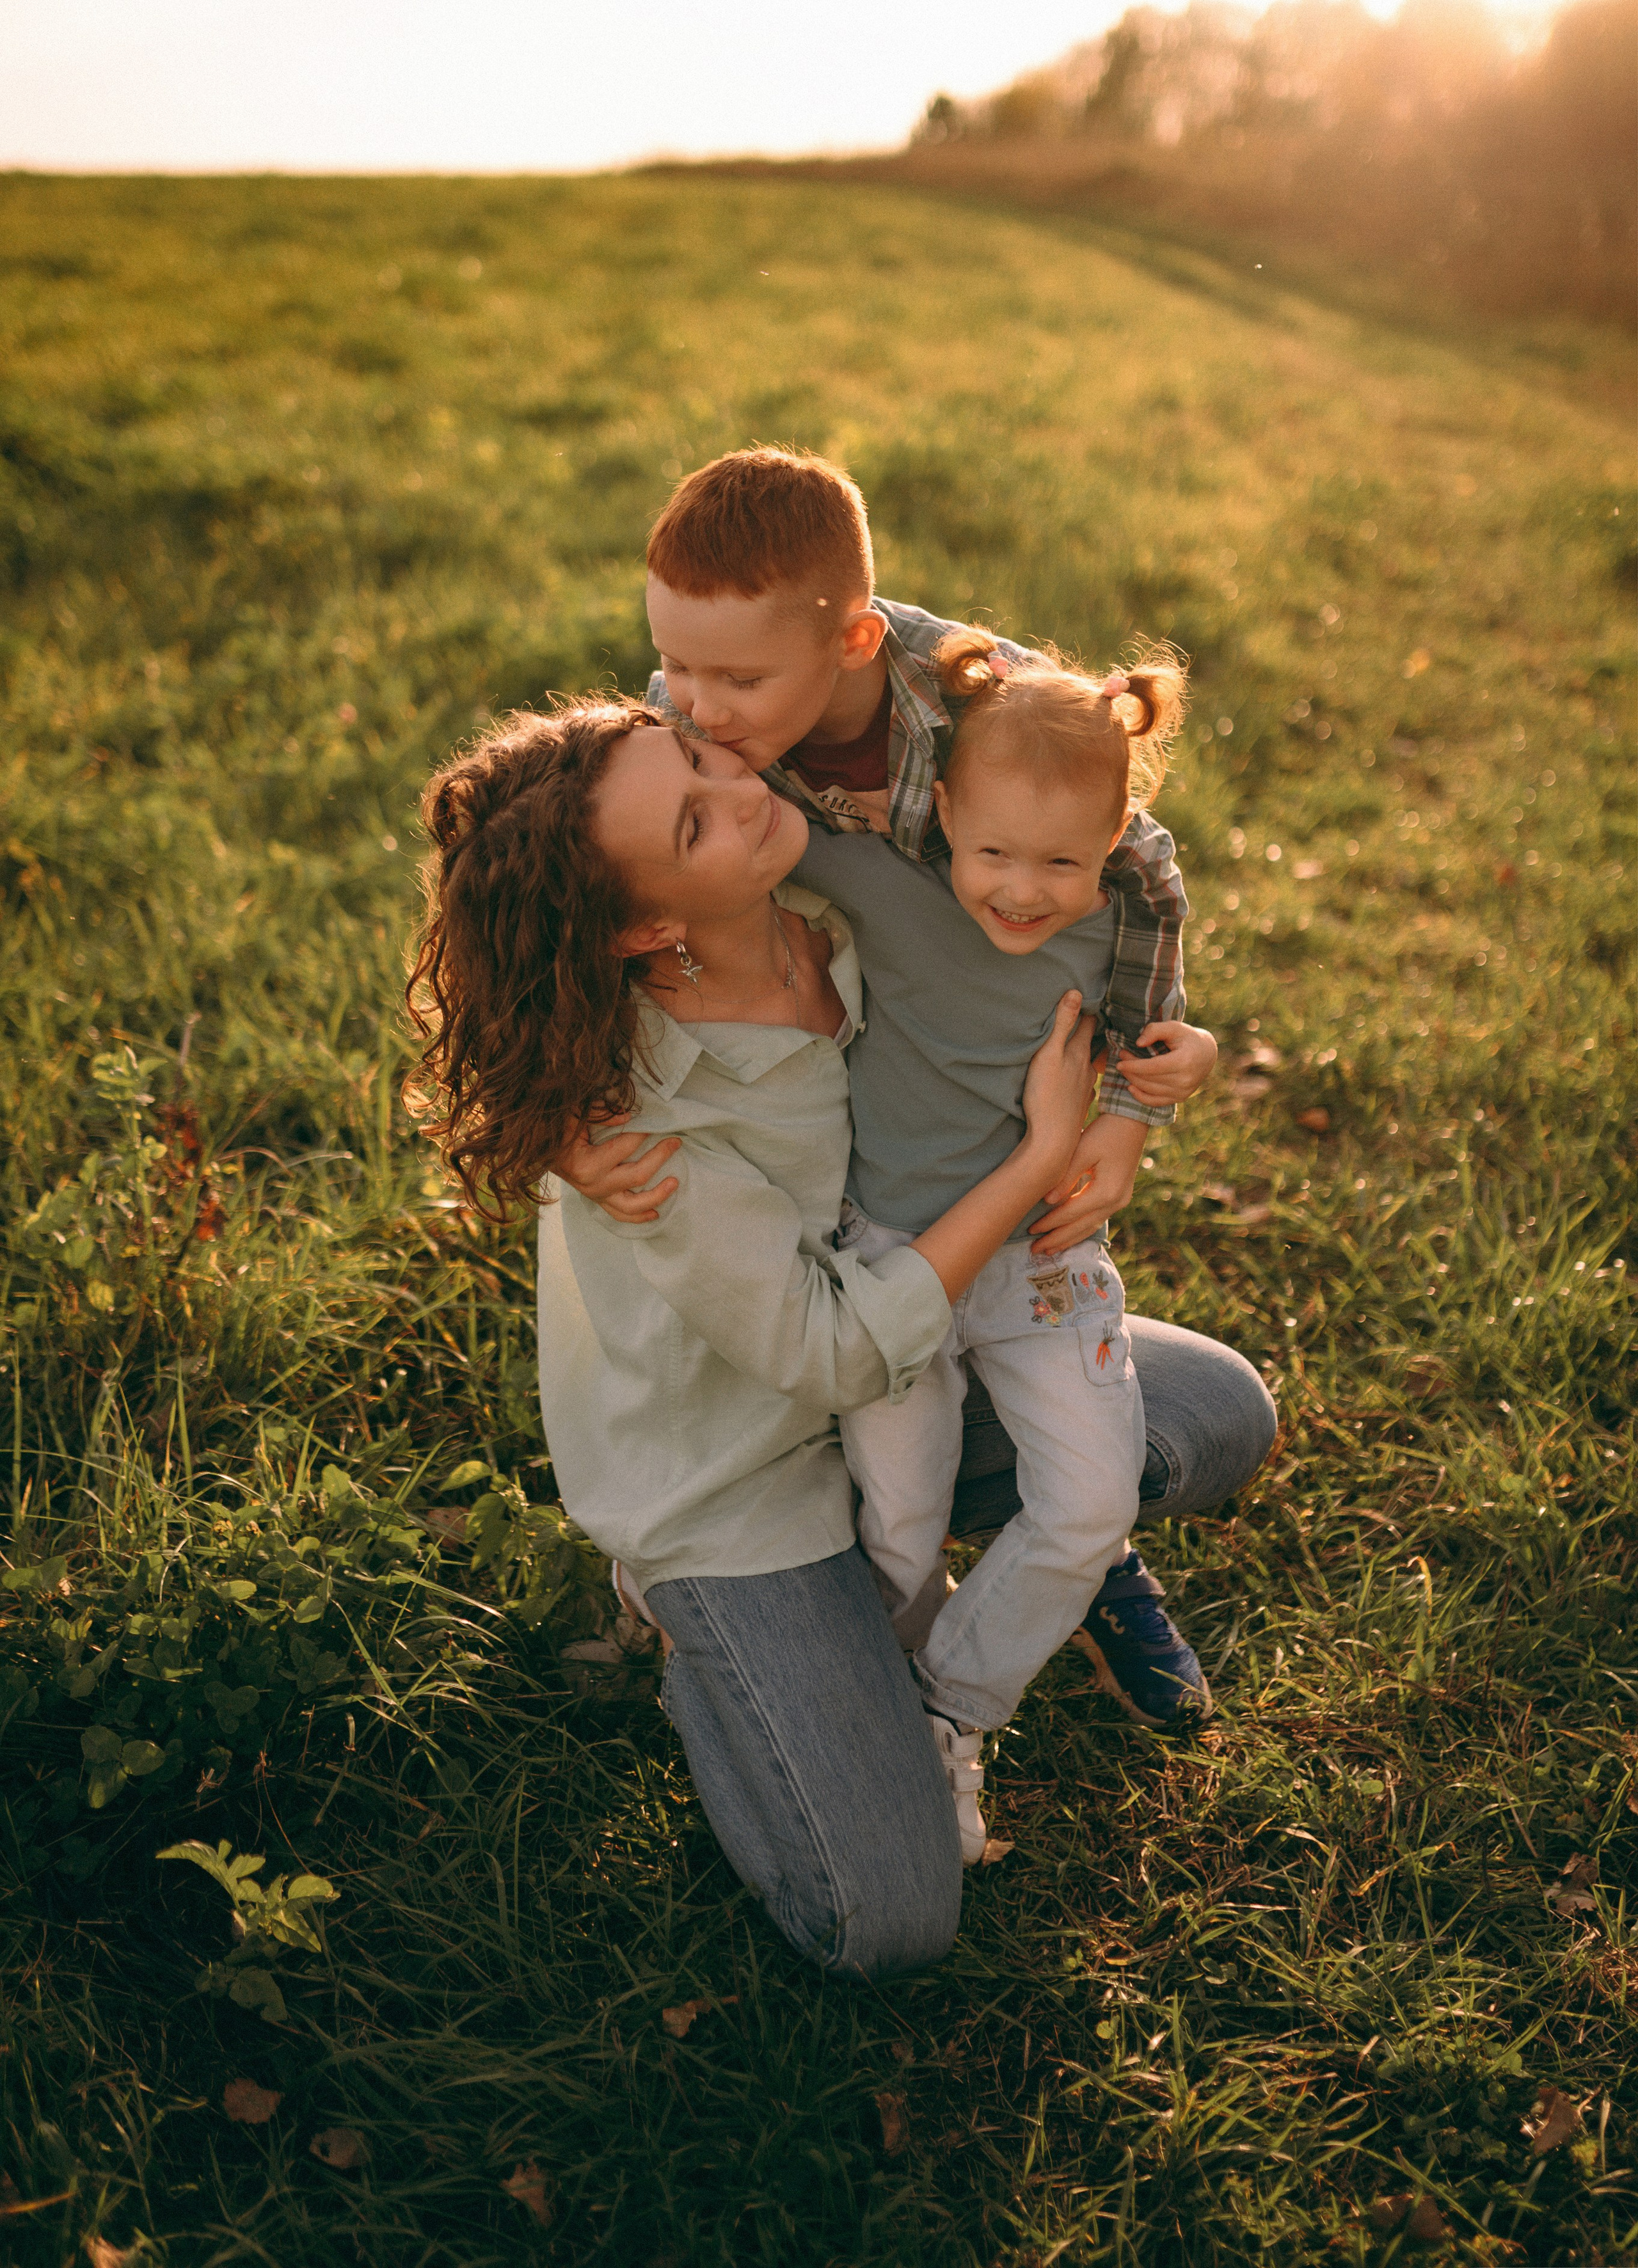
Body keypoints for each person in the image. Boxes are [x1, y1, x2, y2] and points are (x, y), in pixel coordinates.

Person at [557, 448, 1274, 1733]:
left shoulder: (969, 705)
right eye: (673, 665)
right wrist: (555, 1130)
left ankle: (1062, 1555)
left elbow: (1133, 852)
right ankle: (830, 1602)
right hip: (834, 1209)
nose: (694, 708)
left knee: (1202, 1416)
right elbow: (579, 875)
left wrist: (1135, 1094)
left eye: (735, 679)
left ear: (853, 637)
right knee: (888, 1431)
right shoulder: (701, 734)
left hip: (956, 1123)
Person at [406, 694, 1103, 1982]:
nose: (743, 790)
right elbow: (835, 1351)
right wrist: (1039, 1159)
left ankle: (997, 1560)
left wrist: (1124, 1116)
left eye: (698, 756)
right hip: (740, 1479)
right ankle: (693, 1640)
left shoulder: (834, 895)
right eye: (693, 818)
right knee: (885, 1920)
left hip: (919, 1365)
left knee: (1207, 1419)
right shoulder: (629, 1120)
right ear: (643, 925)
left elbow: (1041, 763)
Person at [795, 624, 1216, 1859]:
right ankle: (844, 1698)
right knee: (901, 1522)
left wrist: (1155, 1090)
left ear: (1112, 847)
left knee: (1089, 1502)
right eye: (993, 854)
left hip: (1043, 1269)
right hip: (891, 1265)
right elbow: (719, 772)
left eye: (1062, 861)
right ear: (938, 820)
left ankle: (953, 1709)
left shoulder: (1122, 917)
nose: (1025, 890)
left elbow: (1160, 1040)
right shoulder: (884, 878)